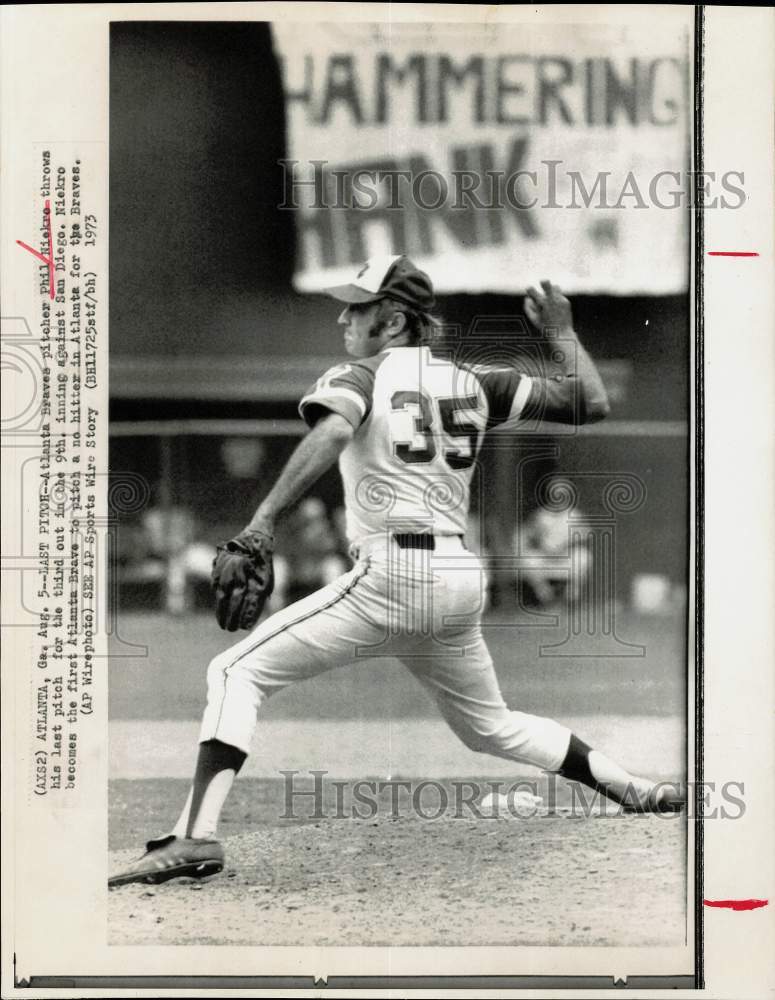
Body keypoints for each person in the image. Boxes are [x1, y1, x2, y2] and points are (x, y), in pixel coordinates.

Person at [109, 254, 683, 887]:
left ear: (393, 319)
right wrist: (561, 333)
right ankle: (634, 789)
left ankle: (194, 839)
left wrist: (262, 522)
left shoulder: (362, 375)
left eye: (357, 307)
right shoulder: (475, 381)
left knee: (233, 670)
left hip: (391, 575)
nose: (343, 317)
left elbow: (330, 436)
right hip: (461, 578)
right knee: (490, 727)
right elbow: (590, 402)